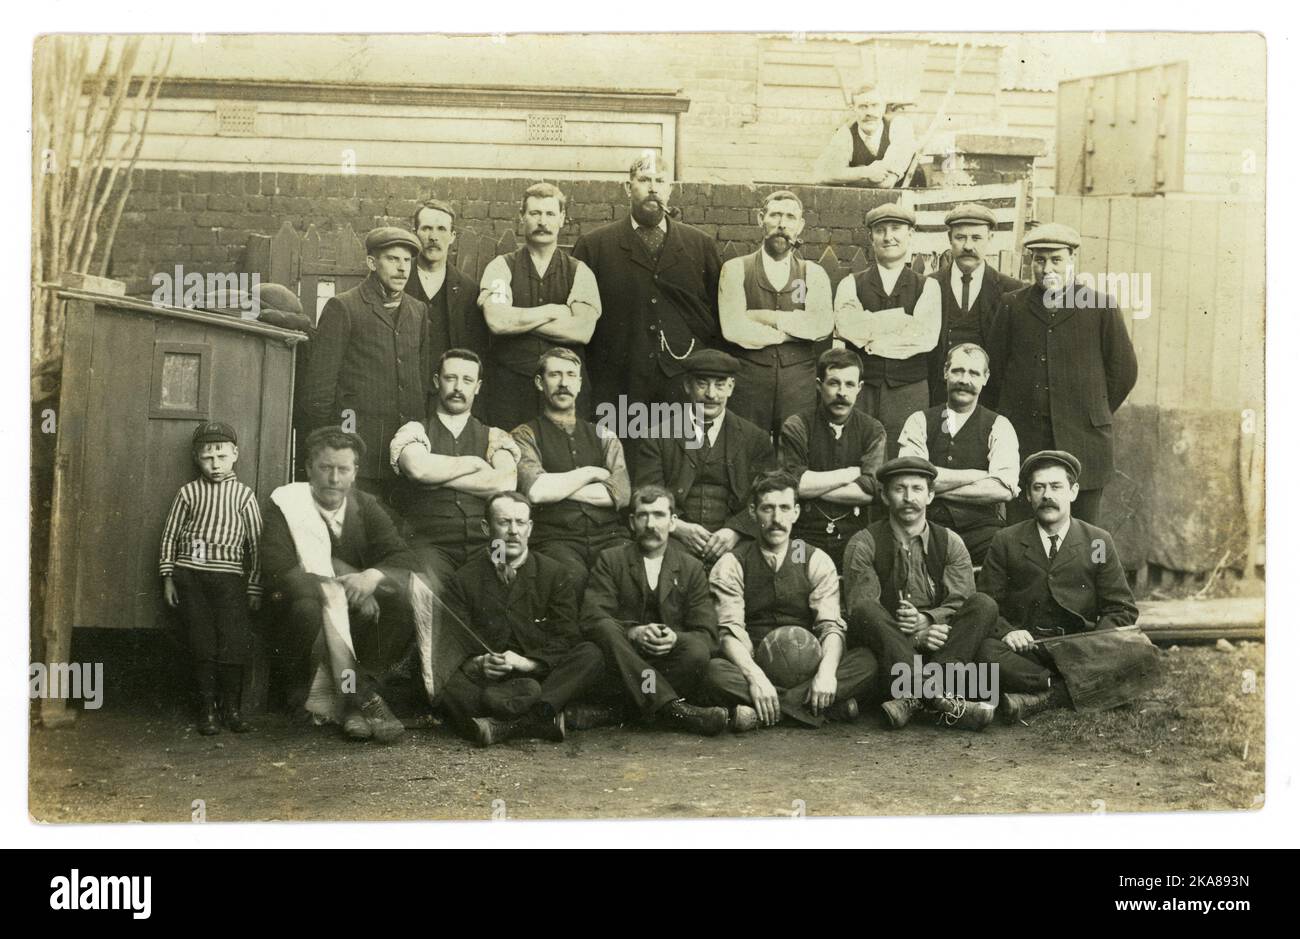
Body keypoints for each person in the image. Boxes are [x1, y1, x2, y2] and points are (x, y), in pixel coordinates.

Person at [260, 428, 419, 744]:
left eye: (343, 469)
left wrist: (371, 577)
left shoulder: (364, 506)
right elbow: (279, 570)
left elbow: (402, 556)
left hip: (353, 620)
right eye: (325, 468)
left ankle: (352, 701)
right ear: (308, 469)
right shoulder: (287, 503)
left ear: (355, 473)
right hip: (300, 617)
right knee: (307, 606)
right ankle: (359, 699)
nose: (334, 478)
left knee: (401, 596)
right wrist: (342, 588)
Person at [984, 223, 1139, 524]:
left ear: (1072, 260)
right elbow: (995, 371)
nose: (1047, 268)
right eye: (1039, 260)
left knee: (1081, 532)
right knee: (1023, 529)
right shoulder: (1011, 306)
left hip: (1084, 441)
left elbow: (1123, 372)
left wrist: (1092, 410)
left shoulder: (1099, 306)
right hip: (1025, 439)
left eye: (1056, 259)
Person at [702, 471, 878, 729]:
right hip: (756, 663)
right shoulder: (733, 562)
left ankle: (767, 710)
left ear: (796, 512)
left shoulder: (814, 558)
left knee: (866, 662)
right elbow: (729, 632)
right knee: (712, 671)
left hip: (809, 666)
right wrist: (756, 678)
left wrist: (826, 674)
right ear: (752, 512)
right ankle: (822, 707)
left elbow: (830, 626)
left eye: (785, 508)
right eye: (767, 509)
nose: (776, 519)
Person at [976, 450, 1139, 722]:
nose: (1047, 495)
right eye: (1038, 487)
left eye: (1056, 486)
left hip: (1081, 650)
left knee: (1135, 649)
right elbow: (986, 603)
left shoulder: (1097, 542)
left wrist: (1093, 645)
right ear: (1028, 495)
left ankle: (1047, 695)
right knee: (985, 652)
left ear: (1073, 492)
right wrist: (1009, 632)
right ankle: (1074, 688)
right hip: (1028, 652)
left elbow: (1121, 609)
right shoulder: (1006, 540)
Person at [842, 456, 1001, 731]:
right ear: (884, 495)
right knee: (867, 613)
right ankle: (938, 696)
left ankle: (914, 697)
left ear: (931, 495)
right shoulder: (864, 543)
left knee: (983, 604)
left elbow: (960, 602)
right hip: (889, 656)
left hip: (944, 650)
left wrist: (929, 620)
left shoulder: (950, 542)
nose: (908, 497)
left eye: (917, 489)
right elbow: (864, 611)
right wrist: (915, 637)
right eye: (899, 489)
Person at [440, 492, 607, 747]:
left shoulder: (554, 573)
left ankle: (506, 724)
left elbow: (567, 637)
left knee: (590, 654)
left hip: (540, 676)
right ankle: (541, 717)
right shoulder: (464, 580)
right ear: (486, 527)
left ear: (530, 528)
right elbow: (455, 643)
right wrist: (478, 663)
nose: (513, 531)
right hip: (491, 680)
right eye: (504, 522)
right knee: (443, 679)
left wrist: (527, 663)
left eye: (520, 523)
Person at [573, 154, 723, 412]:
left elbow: (717, 318)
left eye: (660, 181)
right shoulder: (594, 246)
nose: (653, 188)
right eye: (644, 180)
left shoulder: (699, 245)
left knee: (678, 449)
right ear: (627, 187)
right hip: (618, 386)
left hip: (681, 384)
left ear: (670, 189)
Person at [580, 486, 732, 735]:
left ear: (673, 522)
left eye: (659, 515)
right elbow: (591, 617)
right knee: (604, 630)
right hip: (621, 661)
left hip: (666, 664)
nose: (651, 524)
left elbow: (708, 634)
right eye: (643, 515)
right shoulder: (611, 559)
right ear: (632, 521)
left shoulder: (691, 567)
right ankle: (671, 708)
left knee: (696, 651)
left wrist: (675, 638)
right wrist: (633, 633)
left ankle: (621, 712)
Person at [302, 227, 429, 502]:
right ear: (372, 263)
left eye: (407, 261)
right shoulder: (344, 307)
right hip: (358, 450)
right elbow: (320, 388)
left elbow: (420, 374)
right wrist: (327, 447)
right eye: (393, 259)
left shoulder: (417, 311)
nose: (402, 268)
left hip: (404, 451)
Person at [159, 421, 263, 736]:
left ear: (235, 454)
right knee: (201, 643)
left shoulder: (244, 496)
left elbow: (257, 544)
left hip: (230, 581)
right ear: (196, 458)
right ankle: (207, 710)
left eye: (221, 456)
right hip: (191, 577)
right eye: (207, 457)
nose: (215, 464)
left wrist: (254, 586)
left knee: (232, 643)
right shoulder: (188, 493)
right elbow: (170, 534)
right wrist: (168, 576)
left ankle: (231, 709)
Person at [388, 348, 520, 589]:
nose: (458, 387)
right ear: (437, 381)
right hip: (430, 544)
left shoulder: (494, 436)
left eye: (467, 380)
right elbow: (418, 469)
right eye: (451, 378)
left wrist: (438, 478)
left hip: (486, 543)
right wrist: (475, 465)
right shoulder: (414, 430)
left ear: (477, 386)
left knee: (501, 588)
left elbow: (506, 483)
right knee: (429, 593)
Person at [630, 349, 774, 565]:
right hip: (673, 539)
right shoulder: (658, 436)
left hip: (736, 542)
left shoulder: (755, 439)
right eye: (702, 383)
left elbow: (766, 497)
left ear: (731, 387)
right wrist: (677, 527)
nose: (711, 394)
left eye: (720, 384)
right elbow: (644, 494)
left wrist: (735, 531)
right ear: (687, 386)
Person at [479, 182, 602, 430]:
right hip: (510, 391)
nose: (542, 221)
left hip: (565, 392)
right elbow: (498, 322)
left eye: (549, 214)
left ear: (562, 219)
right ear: (522, 217)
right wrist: (553, 312)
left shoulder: (579, 271)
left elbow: (582, 330)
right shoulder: (501, 267)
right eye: (534, 213)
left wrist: (519, 320)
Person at [513, 347, 632, 598]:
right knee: (569, 577)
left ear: (579, 384)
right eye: (555, 375)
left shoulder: (604, 435)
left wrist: (558, 487)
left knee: (628, 571)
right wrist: (591, 472)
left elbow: (620, 494)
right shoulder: (524, 435)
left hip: (608, 536)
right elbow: (536, 491)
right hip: (556, 540)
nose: (563, 383)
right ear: (539, 382)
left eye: (570, 375)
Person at [718, 190, 834, 439]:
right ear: (761, 218)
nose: (782, 224)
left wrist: (760, 317)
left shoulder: (812, 273)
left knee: (794, 453)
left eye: (791, 217)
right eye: (775, 215)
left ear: (800, 225)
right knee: (746, 451)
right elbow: (733, 329)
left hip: (798, 384)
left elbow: (821, 326)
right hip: (748, 381)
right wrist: (795, 332)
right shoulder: (736, 269)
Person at [898, 342, 1019, 565]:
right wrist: (981, 475)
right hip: (926, 526)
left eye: (973, 373)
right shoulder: (919, 421)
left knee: (1010, 553)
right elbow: (911, 479)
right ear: (945, 372)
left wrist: (931, 487)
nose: (964, 380)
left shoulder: (1000, 425)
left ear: (986, 377)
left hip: (983, 533)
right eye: (957, 371)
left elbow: (1003, 489)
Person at [834, 203, 941, 455]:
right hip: (862, 387)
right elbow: (848, 328)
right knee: (857, 455)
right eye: (880, 230)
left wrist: (869, 337)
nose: (888, 236)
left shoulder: (928, 287)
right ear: (871, 237)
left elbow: (924, 338)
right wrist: (901, 321)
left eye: (896, 229)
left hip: (908, 389)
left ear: (910, 234)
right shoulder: (851, 283)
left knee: (902, 458)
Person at [780, 347, 887, 570]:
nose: (841, 392)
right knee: (796, 584)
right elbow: (793, 485)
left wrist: (812, 486)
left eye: (849, 384)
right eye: (833, 383)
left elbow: (871, 489)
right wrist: (852, 473)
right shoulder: (797, 425)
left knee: (859, 587)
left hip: (855, 534)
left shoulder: (873, 430)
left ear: (860, 388)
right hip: (801, 534)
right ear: (819, 386)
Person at [925, 203, 1024, 405]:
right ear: (949, 239)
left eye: (977, 238)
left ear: (990, 238)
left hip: (989, 400)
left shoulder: (1011, 290)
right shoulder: (928, 285)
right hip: (938, 397)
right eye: (960, 238)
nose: (968, 246)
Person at [405, 199, 489, 413]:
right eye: (426, 228)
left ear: (452, 236)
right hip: (404, 393)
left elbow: (476, 352)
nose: (433, 237)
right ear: (414, 233)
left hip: (449, 399)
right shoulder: (399, 281)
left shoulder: (468, 290)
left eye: (442, 229)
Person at [813, 84, 925, 188]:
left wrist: (845, 175)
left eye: (875, 105)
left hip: (909, 199)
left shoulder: (899, 125)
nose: (869, 113)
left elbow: (885, 183)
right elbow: (821, 175)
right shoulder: (846, 132)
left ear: (883, 107)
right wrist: (866, 172)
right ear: (853, 109)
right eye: (863, 107)